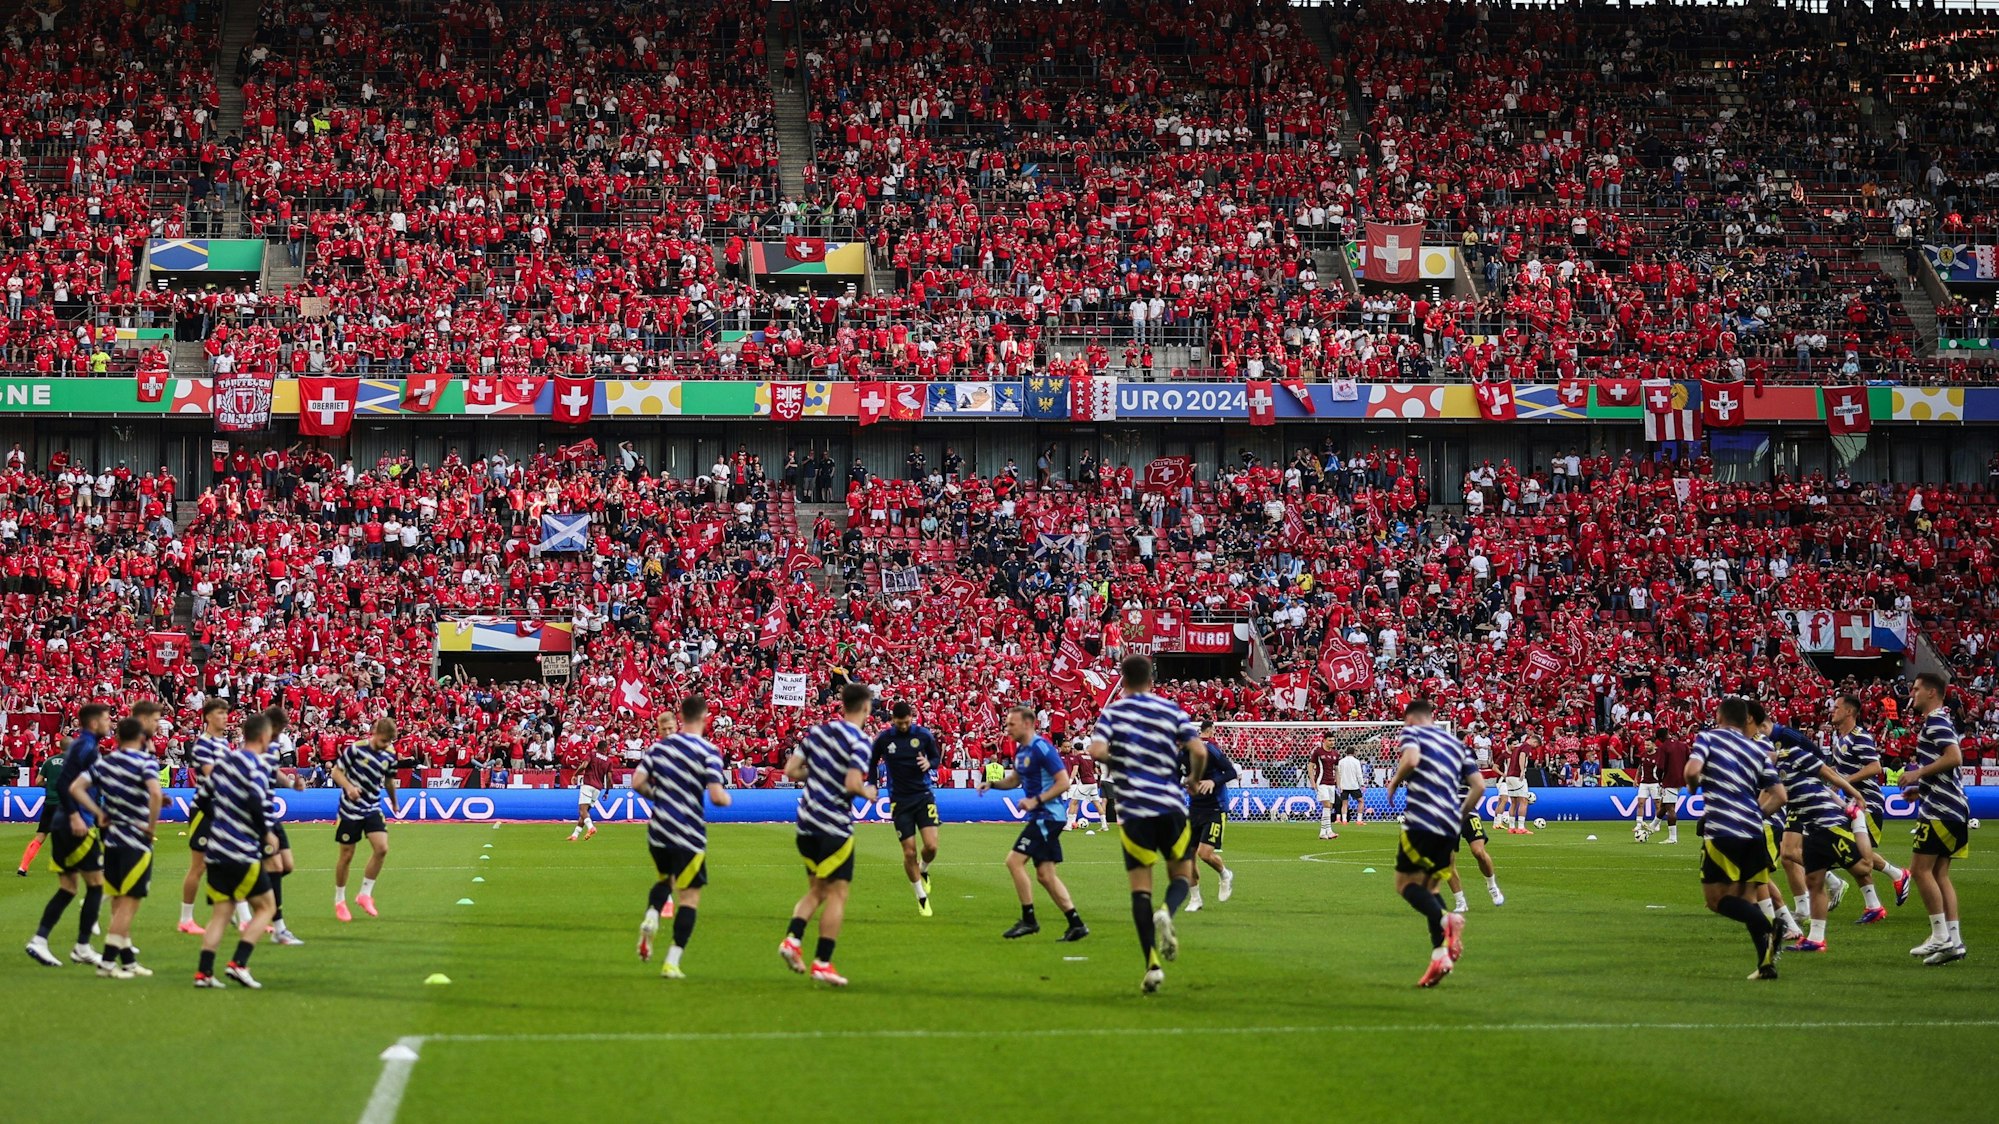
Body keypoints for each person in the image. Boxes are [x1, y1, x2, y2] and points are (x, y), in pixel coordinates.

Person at [1088, 655, 1206, 994]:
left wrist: (1124, 760)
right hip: (1170, 806)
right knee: (1181, 876)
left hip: (1134, 811)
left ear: (1122, 679)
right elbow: (1198, 750)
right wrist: (1194, 781)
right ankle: (1167, 911)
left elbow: (1095, 750)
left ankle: (1152, 966)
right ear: (1152, 679)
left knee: (1140, 889)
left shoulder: (1113, 712)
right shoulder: (1171, 710)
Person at [778, 682, 878, 987]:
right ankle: (822, 961)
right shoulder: (860, 741)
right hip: (833, 825)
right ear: (865, 708)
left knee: (818, 890)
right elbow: (851, 783)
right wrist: (868, 792)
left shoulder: (817, 732)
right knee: (838, 893)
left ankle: (793, 940)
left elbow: (791, 770)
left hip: (805, 824)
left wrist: (821, 774)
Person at [1685, 697, 1786, 980]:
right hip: (1754, 832)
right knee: (1747, 899)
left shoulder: (1708, 738)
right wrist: (1757, 814)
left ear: (1719, 717)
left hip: (1722, 831)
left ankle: (1772, 924)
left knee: (1716, 901)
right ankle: (1766, 965)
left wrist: (1694, 787)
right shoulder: (1756, 751)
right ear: (1745, 721)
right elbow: (1780, 796)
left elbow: (1692, 771)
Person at [631, 697, 731, 979]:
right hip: (689, 834)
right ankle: (672, 961)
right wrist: (726, 798)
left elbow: (637, 783)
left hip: (659, 831)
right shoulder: (709, 751)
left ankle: (652, 914)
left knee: (666, 879)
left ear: (680, 718)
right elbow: (716, 796)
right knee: (689, 898)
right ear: (705, 718)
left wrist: (659, 797)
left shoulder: (659, 748)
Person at [1384, 700, 1481, 987]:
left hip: (1421, 821)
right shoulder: (1457, 745)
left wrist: (1394, 782)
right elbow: (1479, 786)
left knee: (1405, 885)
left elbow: (1411, 760)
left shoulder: (1412, 732)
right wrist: (1458, 814)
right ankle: (1440, 956)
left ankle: (1445, 919)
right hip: (1450, 826)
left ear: (1411, 719)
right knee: (1432, 887)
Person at [1759, 715, 1869, 953]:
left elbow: (1830, 774)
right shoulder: (1773, 773)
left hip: (1828, 819)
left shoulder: (1795, 754)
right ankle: (1816, 939)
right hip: (1811, 824)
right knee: (1814, 880)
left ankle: (1859, 823)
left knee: (1864, 866)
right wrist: (1755, 817)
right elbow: (1777, 800)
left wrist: (1855, 798)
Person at [982, 706, 1087, 941]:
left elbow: (1063, 783)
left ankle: (1029, 920)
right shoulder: (1021, 750)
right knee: (1046, 875)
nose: (1007, 728)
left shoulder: (1042, 748)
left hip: (1047, 815)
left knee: (1014, 861)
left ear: (1028, 724)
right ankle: (1076, 924)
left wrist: (1035, 800)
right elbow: (1014, 780)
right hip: (1043, 815)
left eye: (1011, 724)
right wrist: (992, 784)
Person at [69, 716, 162, 978]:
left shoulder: (105, 763)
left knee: (120, 900)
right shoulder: (145, 762)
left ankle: (128, 961)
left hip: (111, 840)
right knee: (128, 905)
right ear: (142, 738)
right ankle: (108, 963)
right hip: (135, 840)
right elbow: (154, 793)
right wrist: (151, 825)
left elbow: (76, 787)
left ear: (118, 738)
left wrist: (98, 812)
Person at [196, 712, 280, 989]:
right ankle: (239, 964)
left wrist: (222, 820)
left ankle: (204, 973)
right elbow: (256, 803)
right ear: (263, 736)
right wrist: (265, 834)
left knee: (221, 913)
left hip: (217, 847)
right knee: (267, 907)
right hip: (241, 850)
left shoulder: (224, 762)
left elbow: (203, 799)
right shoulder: (255, 766)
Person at [23, 704, 111, 968]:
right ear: (94, 723)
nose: (110, 722)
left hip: (66, 822)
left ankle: (39, 941)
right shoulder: (85, 747)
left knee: (69, 887)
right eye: (107, 719)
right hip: (76, 824)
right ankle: (83, 946)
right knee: (97, 884)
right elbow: (65, 784)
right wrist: (76, 815)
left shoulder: (84, 747)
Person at [1902, 671, 1971, 965]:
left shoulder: (1936, 721)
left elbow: (1954, 757)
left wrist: (1918, 773)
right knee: (1940, 874)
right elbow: (1947, 768)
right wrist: (1922, 789)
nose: (1912, 694)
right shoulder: (1939, 721)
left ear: (1932, 692)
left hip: (1941, 811)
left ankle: (1940, 935)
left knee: (1919, 870)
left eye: (1916, 689)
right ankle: (1953, 941)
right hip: (1950, 806)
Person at [1827, 694, 1911, 922]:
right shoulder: (1840, 738)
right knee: (1846, 851)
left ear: (1849, 712)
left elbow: (1875, 767)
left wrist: (1845, 782)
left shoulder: (1859, 737)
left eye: (1836, 707)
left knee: (1848, 851)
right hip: (1852, 803)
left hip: (1868, 804)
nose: (1832, 710)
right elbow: (1839, 771)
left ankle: (1888, 883)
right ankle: (1881, 893)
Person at [869, 701, 941, 916]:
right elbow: (871, 761)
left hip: (923, 796)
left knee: (931, 847)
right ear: (893, 720)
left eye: (906, 722)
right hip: (899, 801)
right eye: (899, 723)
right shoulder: (885, 738)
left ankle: (924, 870)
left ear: (912, 717)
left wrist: (930, 764)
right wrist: (872, 784)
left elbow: (936, 757)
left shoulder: (923, 735)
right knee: (909, 852)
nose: (903, 726)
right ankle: (921, 897)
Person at [332, 718, 398, 922]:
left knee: (382, 848)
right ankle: (340, 899)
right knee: (347, 855)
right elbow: (336, 772)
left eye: (388, 742)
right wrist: (350, 788)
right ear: (375, 733)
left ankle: (364, 894)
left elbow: (388, 780)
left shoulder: (390, 754)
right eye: (383, 741)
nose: (385, 745)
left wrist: (394, 802)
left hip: (371, 807)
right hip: (350, 810)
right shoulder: (356, 749)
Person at [178, 699, 233, 935]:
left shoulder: (224, 744)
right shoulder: (203, 744)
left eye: (226, 713)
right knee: (198, 867)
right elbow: (215, 775)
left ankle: (238, 915)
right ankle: (186, 918)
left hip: (221, 808)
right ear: (208, 717)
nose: (225, 717)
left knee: (228, 863)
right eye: (220, 713)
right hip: (205, 808)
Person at [261, 707, 308, 946]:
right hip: (260, 816)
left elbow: (273, 772)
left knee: (286, 866)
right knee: (276, 867)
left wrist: (291, 785)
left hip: (270, 814)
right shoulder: (256, 747)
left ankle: (249, 895)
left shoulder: (270, 747)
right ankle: (279, 928)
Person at [1185, 720, 1236, 912]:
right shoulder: (1179, 756)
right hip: (1194, 809)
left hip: (1215, 808)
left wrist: (1213, 781)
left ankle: (1225, 874)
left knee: (1204, 854)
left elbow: (1231, 771)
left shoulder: (1210, 751)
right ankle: (1195, 899)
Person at [16, 731, 66, 876]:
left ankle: (23, 866)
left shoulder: (49, 761)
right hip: (65, 804)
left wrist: (49, 784)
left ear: (60, 747)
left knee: (40, 836)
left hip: (49, 803)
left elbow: (38, 781)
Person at [1446, 805, 1505, 911]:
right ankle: (1460, 902)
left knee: (1478, 852)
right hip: (1446, 815)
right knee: (1447, 859)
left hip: (1469, 812)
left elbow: (1479, 788)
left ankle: (1492, 886)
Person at [570, 739, 616, 842]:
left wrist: (575, 775)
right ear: (605, 748)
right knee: (585, 812)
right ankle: (575, 835)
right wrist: (607, 792)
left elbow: (584, 766)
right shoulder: (608, 761)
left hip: (588, 784)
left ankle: (591, 827)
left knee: (582, 811)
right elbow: (609, 778)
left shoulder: (592, 754)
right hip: (598, 789)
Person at [1310, 733, 1341, 839]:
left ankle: (1323, 832)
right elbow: (1310, 766)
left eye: (1333, 740)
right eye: (1330, 740)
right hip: (1321, 782)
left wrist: (1339, 783)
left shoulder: (1335, 754)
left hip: (1331, 783)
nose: (1332, 742)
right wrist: (1312, 782)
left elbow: (1336, 769)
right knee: (1327, 805)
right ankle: (1329, 831)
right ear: (1324, 740)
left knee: (1329, 807)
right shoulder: (1318, 752)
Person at [1499, 735, 1533, 833]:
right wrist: (1522, 770)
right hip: (1517, 776)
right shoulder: (1526, 746)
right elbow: (1522, 756)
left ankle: (1512, 827)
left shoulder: (1516, 748)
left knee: (1513, 802)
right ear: (1534, 742)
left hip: (1509, 776)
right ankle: (1521, 827)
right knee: (1523, 801)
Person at [1338, 744, 1366, 827]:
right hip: (1354, 785)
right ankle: (1359, 820)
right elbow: (1359, 774)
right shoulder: (1356, 761)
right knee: (1361, 801)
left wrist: (1339, 785)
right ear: (1354, 753)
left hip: (1344, 785)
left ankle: (1344, 820)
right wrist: (1362, 784)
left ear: (1346, 753)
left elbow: (1339, 773)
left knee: (1344, 803)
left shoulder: (1341, 761)